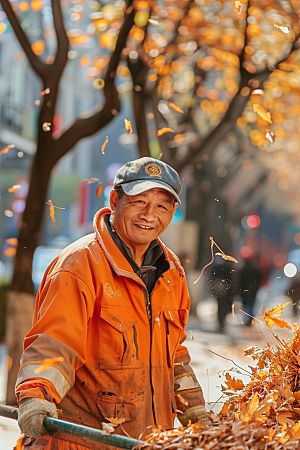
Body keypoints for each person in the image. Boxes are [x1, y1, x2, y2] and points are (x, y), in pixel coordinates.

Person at [16, 157, 209, 450]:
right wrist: (36, 396)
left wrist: (195, 410)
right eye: (139, 201)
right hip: (80, 442)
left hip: (145, 442)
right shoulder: (79, 265)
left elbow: (174, 355)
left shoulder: (171, 272)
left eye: (161, 206)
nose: (149, 215)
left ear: (172, 212)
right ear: (115, 199)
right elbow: (55, 343)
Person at [238, 255, 262, 326]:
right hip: (253, 290)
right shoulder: (255, 269)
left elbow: (239, 281)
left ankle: (246, 319)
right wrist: (256, 287)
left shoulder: (242, 269)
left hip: (244, 291)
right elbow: (259, 279)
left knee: (245, 305)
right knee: (251, 305)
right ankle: (249, 320)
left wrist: (239, 290)